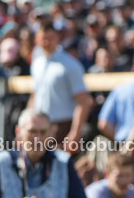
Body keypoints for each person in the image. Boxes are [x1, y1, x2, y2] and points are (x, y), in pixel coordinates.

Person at [29, 17, 92, 151]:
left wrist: (75, 132)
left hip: (63, 126)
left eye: (50, 38)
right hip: (41, 126)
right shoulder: (37, 64)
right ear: (37, 39)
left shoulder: (70, 65)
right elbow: (35, 95)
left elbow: (83, 102)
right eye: (43, 38)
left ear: (57, 38)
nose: (46, 42)